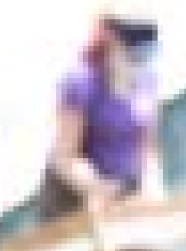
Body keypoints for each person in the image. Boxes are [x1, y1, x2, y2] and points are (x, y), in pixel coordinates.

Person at [42, 11, 165, 220]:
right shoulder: (80, 82)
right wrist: (100, 190)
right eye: (131, 41)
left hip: (127, 188)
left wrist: (153, 189)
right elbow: (65, 159)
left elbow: (148, 148)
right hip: (75, 195)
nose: (139, 53)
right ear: (110, 38)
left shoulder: (148, 81)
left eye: (146, 41)